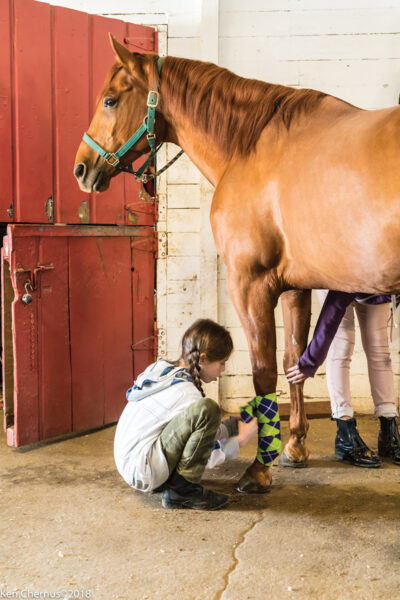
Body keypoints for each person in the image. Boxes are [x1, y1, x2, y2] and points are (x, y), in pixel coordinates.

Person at [114, 318, 258, 510]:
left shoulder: (165, 371)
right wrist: (238, 440)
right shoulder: (187, 393)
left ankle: (172, 483)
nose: (223, 370)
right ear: (203, 358)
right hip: (143, 471)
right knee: (208, 409)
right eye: (222, 363)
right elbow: (200, 452)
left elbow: (189, 435)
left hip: (130, 463)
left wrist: (233, 425)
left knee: (205, 412)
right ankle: (182, 491)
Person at [286, 291, 400, 468]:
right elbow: (334, 309)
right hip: (340, 283)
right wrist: (310, 360)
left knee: (379, 347)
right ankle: (345, 437)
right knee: (342, 344)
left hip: (377, 283)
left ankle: (389, 432)